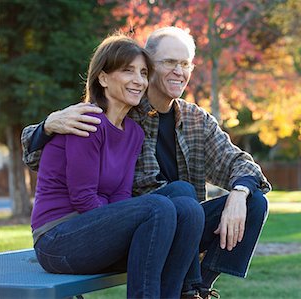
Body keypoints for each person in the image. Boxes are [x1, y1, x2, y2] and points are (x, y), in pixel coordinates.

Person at [22, 26, 271, 299]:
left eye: (185, 64)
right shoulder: (98, 117)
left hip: (163, 223)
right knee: (172, 199)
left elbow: (240, 163)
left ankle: (195, 289)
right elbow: (40, 158)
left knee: (233, 200)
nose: (178, 71)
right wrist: (47, 126)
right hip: (105, 225)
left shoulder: (176, 123)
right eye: (169, 62)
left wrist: (239, 192)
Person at [29, 32, 204, 299]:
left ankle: (186, 293)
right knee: (158, 207)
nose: (139, 80)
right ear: (102, 78)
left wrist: (125, 224)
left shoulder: (133, 132)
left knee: (185, 200)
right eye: (128, 71)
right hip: (58, 240)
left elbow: (121, 196)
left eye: (144, 73)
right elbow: (83, 197)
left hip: (96, 232)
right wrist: (128, 225)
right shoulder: (85, 121)